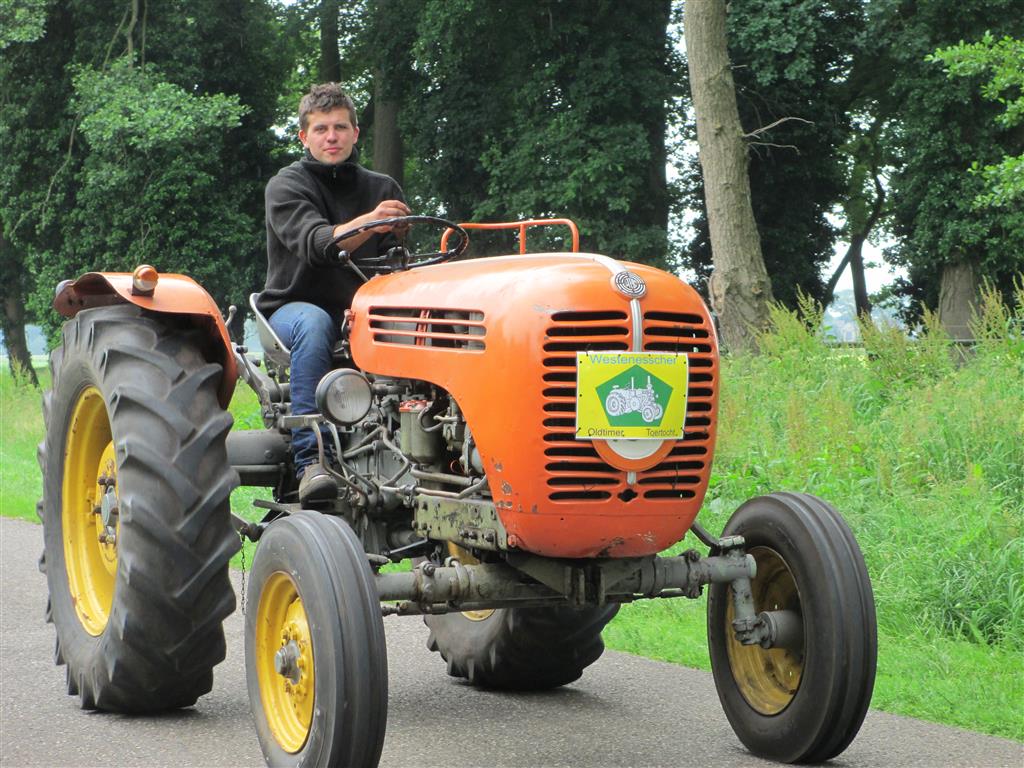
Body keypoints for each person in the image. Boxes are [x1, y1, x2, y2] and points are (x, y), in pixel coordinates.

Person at [258, 83, 410, 503]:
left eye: (340, 127)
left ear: (355, 133)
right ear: (303, 137)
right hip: (292, 309)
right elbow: (318, 246)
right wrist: (370, 223)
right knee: (315, 322)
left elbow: (396, 266)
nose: (332, 137)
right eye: (321, 129)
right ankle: (312, 460)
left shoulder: (382, 188)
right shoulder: (287, 186)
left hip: (362, 312)